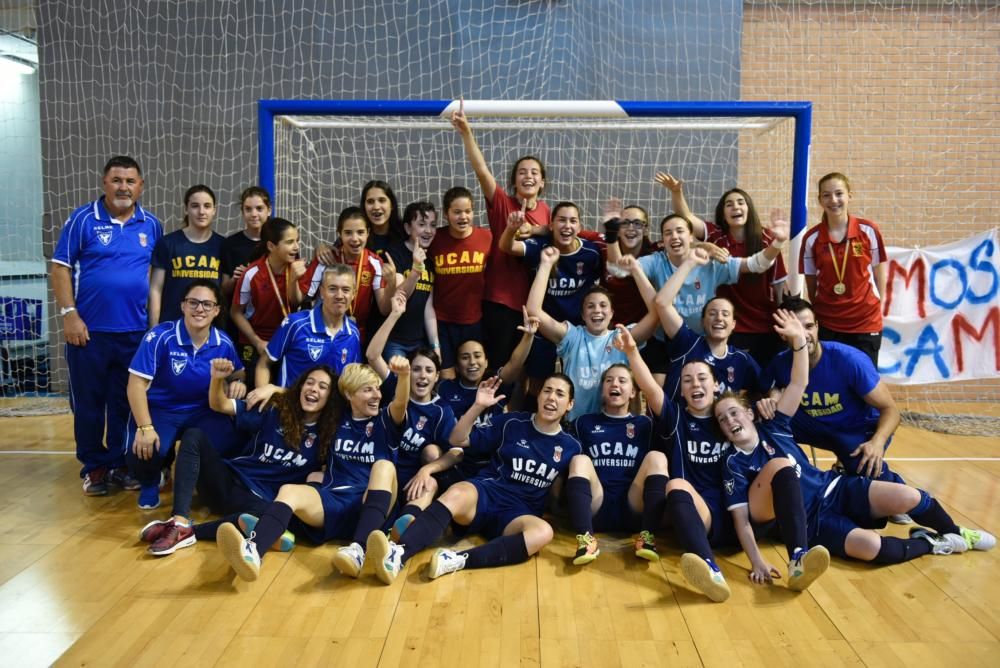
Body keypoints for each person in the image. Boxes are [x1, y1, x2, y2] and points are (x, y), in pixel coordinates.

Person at [716, 312, 994, 591]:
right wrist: (756, 560)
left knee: (909, 496)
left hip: (834, 488)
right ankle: (933, 543)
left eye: (734, 413)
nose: (731, 421)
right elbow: (742, 520)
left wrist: (799, 341)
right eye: (722, 419)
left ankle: (958, 533)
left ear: (750, 414)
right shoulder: (733, 462)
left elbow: (798, 382)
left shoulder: (775, 424)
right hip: (812, 521)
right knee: (872, 547)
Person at [364, 373, 582, 584]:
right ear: (539, 395)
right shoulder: (511, 422)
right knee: (457, 492)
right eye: (547, 391)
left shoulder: (571, 446)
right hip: (488, 494)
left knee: (543, 533)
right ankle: (398, 554)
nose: (552, 398)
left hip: (518, 514)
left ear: (570, 404)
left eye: (560, 394)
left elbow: (561, 490)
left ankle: (456, 560)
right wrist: (478, 406)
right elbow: (457, 439)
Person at [215, 358, 411, 582]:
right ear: (349, 394)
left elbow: (400, 403)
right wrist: (274, 388)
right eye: (368, 390)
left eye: (377, 389)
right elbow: (309, 396)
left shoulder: (384, 421)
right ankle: (253, 552)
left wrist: (403, 376)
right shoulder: (334, 420)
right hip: (335, 499)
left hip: (371, 503)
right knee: (289, 490)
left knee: (383, 466)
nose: (377, 395)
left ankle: (359, 549)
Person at [138, 361, 341, 556]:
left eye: (323, 387)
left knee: (273, 515)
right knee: (193, 436)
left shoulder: (330, 435)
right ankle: (179, 520)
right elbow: (220, 405)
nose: (314, 389)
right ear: (300, 386)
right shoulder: (275, 410)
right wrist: (218, 379)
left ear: (330, 397)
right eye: (310, 382)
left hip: (258, 501)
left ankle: (189, 533)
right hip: (228, 481)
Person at [51, 155, 164, 496]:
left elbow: (155, 277)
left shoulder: (151, 225)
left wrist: (153, 327)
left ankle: (119, 464)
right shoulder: (83, 220)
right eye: (117, 180)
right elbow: (60, 268)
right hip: (88, 333)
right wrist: (70, 314)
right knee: (88, 405)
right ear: (104, 183)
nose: (123, 187)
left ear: (141, 186)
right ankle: (95, 467)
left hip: (134, 334)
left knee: (124, 404)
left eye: (130, 181)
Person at [614, 325, 736, 602]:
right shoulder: (676, 416)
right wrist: (632, 352)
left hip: (736, 512)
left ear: (716, 385)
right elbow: (649, 388)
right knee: (677, 485)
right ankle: (711, 569)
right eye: (688, 380)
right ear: (680, 390)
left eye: (702, 378)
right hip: (693, 516)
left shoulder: (730, 417)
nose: (695, 384)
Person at [757, 295, 906, 488]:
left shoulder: (849, 360)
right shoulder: (780, 362)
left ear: (818, 327)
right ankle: (803, 478)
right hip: (816, 427)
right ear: (783, 334)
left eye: (808, 326)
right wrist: (772, 396)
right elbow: (762, 389)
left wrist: (877, 442)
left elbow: (891, 410)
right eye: (796, 329)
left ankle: (896, 488)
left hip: (859, 429)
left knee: (862, 465)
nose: (804, 334)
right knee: (762, 419)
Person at [125, 280, 244, 510]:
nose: (200, 309)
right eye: (193, 302)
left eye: (207, 304)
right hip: (163, 410)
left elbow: (238, 372)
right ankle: (151, 481)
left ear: (217, 310)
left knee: (232, 441)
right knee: (144, 448)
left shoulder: (223, 342)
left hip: (203, 410)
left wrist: (237, 382)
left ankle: (206, 484)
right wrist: (145, 428)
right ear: (182, 306)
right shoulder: (160, 336)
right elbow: (135, 385)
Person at [451, 98, 550, 367]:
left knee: (526, 370)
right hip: (500, 300)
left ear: (542, 182)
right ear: (514, 180)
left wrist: (539, 228)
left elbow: (564, 235)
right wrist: (466, 132)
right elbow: (482, 171)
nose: (527, 176)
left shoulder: (549, 214)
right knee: (498, 365)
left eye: (534, 173)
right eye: (521, 172)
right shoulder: (503, 203)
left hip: (536, 304)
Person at [661, 173, 789, 367]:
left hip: (763, 324)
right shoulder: (714, 236)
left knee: (760, 382)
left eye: (740, 202)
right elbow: (686, 218)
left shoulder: (767, 239)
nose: (735, 207)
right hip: (727, 324)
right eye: (729, 204)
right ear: (722, 213)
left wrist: (784, 321)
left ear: (749, 209)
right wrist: (677, 192)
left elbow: (779, 285)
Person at [526, 247, 658, 418]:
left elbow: (656, 313)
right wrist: (545, 265)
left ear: (611, 314)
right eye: (590, 306)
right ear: (582, 315)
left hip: (615, 429)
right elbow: (533, 310)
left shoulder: (623, 338)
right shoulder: (572, 337)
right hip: (575, 427)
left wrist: (636, 270)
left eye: (603, 306)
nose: (597, 310)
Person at [366, 291, 459, 535]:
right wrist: (395, 315)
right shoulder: (396, 388)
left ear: (437, 376)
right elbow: (373, 355)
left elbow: (457, 452)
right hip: (379, 470)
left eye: (429, 370)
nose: (422, 375)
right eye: (416, 369)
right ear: (408, 371)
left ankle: (405, 527)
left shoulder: (441, 411)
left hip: (411, 477)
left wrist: (426, 469)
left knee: (431, 476)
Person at [609, 211, 787, 336]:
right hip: (664, 340)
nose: (674, 237)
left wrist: (778, 242)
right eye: (668, 233)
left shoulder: (710, 261)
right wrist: (611, 235)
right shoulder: (656, 261)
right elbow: (618, 270)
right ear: (662, 241)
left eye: (680, 231)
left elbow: (757, 264)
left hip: (702, 339)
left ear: (691, 237)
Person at [562, 364, 663, 567]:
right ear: (602, 389)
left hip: (633, 506)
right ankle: (586, 539)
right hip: (596, 506)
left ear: (633, 392)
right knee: (580, 460)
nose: (614, 384)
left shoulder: (646, 425)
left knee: (657, 457)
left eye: (622, 380)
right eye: (609, 380)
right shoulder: (584, 423)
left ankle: (647, 537)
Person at [435, 310, 538, 480]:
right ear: (457, 366)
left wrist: (528, 336)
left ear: (486, 362)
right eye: (465, 357)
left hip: (492, 461)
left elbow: (515, 364)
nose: (473, 362)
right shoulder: (446, 388)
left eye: (477, 356)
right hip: (456, 459)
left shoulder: (495, 383)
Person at [652, 247, 762, 402]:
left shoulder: (741, 359)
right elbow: (662, 303)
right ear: (703, 322)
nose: (719, 318)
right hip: (681, 423)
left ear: (733, 325)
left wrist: (752, 407)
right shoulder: (687, 342)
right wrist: (689, 263)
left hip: (719, 425)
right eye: (712, 313)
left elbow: (765, 388)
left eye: (725, 314)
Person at [800, 172, 887, 364]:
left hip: (865, 322)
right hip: (828, 322)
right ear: (820, 200)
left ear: (850, 195)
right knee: (831, 382)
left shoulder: (868, 230)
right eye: (826, 195)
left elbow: (879, 271)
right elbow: (811, 281)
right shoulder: (811, 239)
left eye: (839, 193)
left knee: (865, 384)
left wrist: (881, 304)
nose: (833, 200)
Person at [257, 263, 361, 388]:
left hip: (332, 407)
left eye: (346, 290)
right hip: (289, 405)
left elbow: (353, 379)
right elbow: (264, 364)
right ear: (322, 292)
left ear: (353, 294)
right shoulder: (295, 324)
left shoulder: (353, 333)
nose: (339, 296)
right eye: (332, 289)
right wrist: (263, 395)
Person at [230, 217, 308, 382]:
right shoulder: (252, 274)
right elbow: (236, 313)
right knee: (255, 390)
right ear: (271, 246)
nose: (296, 247)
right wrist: (257, 341)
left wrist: (293, 279)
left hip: (287, 339)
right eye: (289, 242)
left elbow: (296, 303)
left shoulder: (296, 268)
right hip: (257, 341)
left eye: (297, 241)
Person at [426, 186, 492, 377]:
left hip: (474, 321)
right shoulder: (435, 239)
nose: (463, 217)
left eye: (468, 211)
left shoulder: (486, 238)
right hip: (442, 322)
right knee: (447, 380)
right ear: (446, 214)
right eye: (457, 212)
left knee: (473, 378)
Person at [303, 206, 393, 345]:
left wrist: (392, 284)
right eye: (348, 233)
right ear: (339, 234)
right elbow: (303, 298)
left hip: (356, 334)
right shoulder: (327, 259)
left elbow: (384, 309)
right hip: (324, 333)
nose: (355, 239)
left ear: (368, 233)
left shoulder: (374, 263)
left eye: (360, 232)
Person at [148, 185, 225, 325]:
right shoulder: (168, 243)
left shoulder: (223, 245)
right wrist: (154, 329)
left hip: (209, 328)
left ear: (214, 210)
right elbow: (155, 289)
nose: (201, 211)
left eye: (207, 206)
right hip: (172, 326)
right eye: (195, 206)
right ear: (186, 209)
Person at [380, 201, 437, 360]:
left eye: (433, 225)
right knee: (397, 383)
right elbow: (399, 296)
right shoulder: (394, 253)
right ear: (407, 228)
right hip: (395, 340)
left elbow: (428, 307)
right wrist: (416, 270)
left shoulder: (430, 261)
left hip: (419, 341)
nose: (428, 230)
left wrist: (435, 346)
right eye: (421, 224)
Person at [220, 186, 272, 307]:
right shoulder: (230, 244)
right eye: (248, 209)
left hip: (271, 313)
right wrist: (236, 279)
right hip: (238, 316)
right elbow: (224, 290)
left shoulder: (279, 242)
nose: (254, 214)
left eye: (259, 208)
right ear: (242, 212)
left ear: (269, 210)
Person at [360, 179, 404, 255]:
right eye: (370, 201)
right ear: (364, 206)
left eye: (382, 200)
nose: (376, 207)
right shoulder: (357, 235)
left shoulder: (406, 233)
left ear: (392, 205)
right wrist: (332, 249)